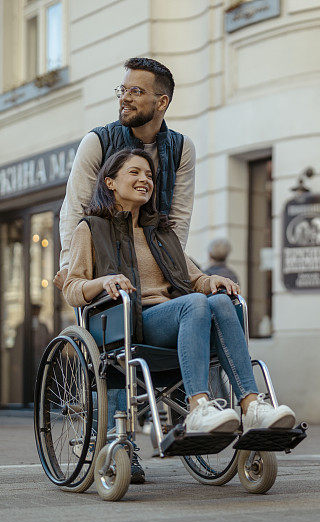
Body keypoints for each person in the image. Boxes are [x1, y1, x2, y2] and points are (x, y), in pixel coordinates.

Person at [62, 148, 296, 442]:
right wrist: (103, 281)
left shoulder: (161, 232)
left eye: (148, 175)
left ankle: (251, 406)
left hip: (179, 319)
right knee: (195, 304)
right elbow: (72, 288)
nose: (144, 179)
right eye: (134, 172)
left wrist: (211, 279)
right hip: (131, 323)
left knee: (221, 300)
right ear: (109, 182)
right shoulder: (92, 228)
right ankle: (197, 406)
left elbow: (193, 278)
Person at [55, 57, 195, 290]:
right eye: (122, 90)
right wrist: (71, 269)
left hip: (154, 262)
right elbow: (75, 207)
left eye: (136, 91)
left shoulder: (182, 149)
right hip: (105, 262)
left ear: (161, 102)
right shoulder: (97, 141)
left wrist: (173, 271)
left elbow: (179, 219)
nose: (125, 98)